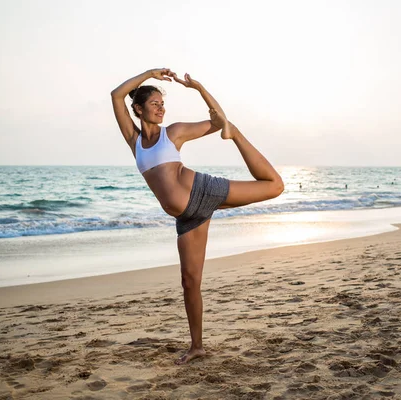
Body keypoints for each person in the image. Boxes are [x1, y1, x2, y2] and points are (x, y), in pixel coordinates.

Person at [111, 68, 284, 364]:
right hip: (189, 218)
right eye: (155, 104)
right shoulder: (134, 140)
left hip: (204, 191)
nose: (161, 108)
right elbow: (116, 95)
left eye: (162, 104)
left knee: (274, 186)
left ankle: (238, 136)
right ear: (138, 109)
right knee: (189, 281)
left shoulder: (173, 133)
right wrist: (150, 73)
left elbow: (217, 122)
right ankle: (197, 347)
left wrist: (200, 88)